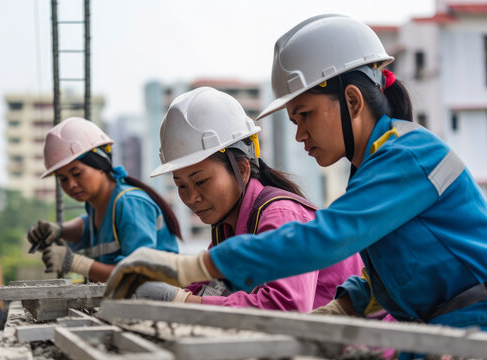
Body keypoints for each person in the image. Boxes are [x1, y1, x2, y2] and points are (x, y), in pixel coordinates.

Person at [105, 13, 487, 351]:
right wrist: (343, 306)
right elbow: (394, 272)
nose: (300, 135)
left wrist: (189, 268)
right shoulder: (373, 169)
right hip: (438, 334)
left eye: (304, 115)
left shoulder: (407, 156)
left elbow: (324, 238)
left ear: (352, 101)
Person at [111, 87, 363, 310]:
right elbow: (206, 290)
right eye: (181, 185)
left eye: (201, 181)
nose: (192, 197)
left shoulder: (280, 215)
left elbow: (287, 307)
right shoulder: (228, 230)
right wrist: (170, 295)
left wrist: (180, 301)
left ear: (242, 170)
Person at [27, 117, 181, 282]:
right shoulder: (96, 207)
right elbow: (87, 226)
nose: (71, 184)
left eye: (77, 173)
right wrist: (59, 230)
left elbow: (136, 275)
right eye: (63, 179)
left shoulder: (129, 203)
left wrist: (73, 262)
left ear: (99, 164)